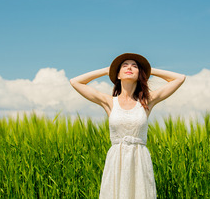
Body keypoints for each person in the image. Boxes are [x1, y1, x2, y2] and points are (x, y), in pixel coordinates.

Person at [70, 53, 186, 199]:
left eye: (135, 66)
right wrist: (108, 69)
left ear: (140, 74)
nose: (129, 67)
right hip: (116, 161)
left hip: (139, 160)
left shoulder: (147, 101)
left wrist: (148, 69)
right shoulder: (109, 102)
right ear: (117, 74)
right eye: (124, 65)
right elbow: (75, 82)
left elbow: (179, 78)